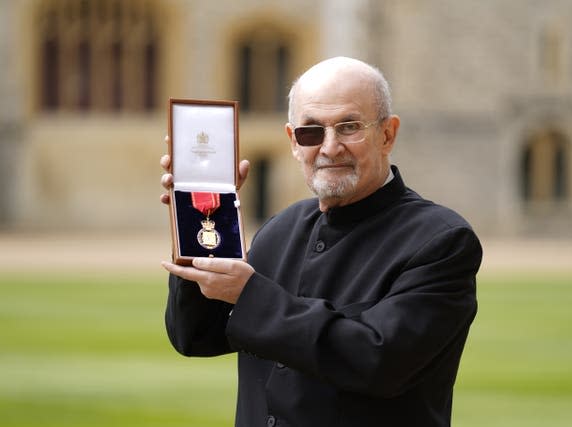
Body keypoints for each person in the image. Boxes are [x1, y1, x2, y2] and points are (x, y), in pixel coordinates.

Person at [160, 56, 482, 427]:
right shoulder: (281, 228)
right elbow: (196, 337)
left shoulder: (440, 240)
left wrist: (252, 295)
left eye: (349, 127)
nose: (329, 147)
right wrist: (199, 218)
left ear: (388, 134)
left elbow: (380, 363)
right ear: (293, 142)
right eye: (311, 131)